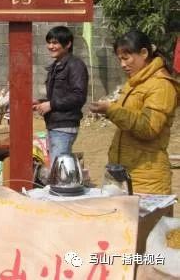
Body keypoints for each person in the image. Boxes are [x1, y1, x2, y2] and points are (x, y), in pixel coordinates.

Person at [90, 30, 179, 194]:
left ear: (144, 53)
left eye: (126, 58)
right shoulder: (134, 82)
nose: (122, 64)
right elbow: (130, 114)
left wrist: (111, 110)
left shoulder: (161, 85)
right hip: (122, 173)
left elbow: (149, 128)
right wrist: (110, 108)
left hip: (146, 179)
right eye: (119, 59)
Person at [33, 26, 88, 167]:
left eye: (55, 43)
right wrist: (41, 102)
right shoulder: (56, 65)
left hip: (64, 126)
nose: (51, 46)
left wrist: (50, 105)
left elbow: (78, 96)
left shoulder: (75, 65)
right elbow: (60, 95)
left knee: (58, 170)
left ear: (68, 44)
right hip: (55, 124)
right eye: (49, 42)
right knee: (59, 168)